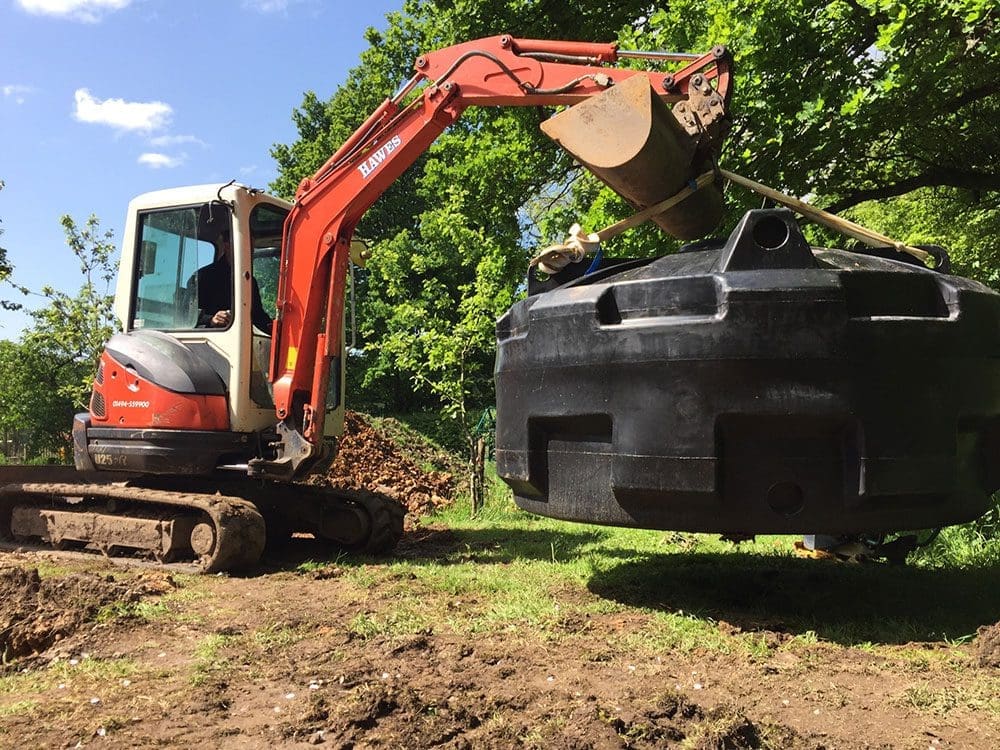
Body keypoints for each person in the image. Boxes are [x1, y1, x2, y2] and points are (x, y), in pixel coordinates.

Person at [193, 229, 273, 332]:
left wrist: (273, 327)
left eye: (252, 246)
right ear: (227, 246)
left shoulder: (250, 282)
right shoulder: (203, 276)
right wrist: (211, 320)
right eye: (246, 245)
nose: (251, 251)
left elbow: (257, 315)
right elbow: (186, 314)